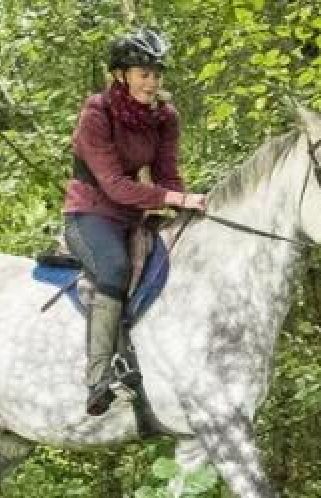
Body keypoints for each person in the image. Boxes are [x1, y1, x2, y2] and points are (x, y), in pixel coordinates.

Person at [63, 27, 207, 416]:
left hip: (134, 216)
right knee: (114, 268)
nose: (152, 82)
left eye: (157, 74)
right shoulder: (97, 113)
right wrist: (173, 198)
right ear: (121, 75)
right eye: (143, 73)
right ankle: (97, 379)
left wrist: (184, 209)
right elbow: (114, 186)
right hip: (91, 213)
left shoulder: (165, 117)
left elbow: (168, 175)